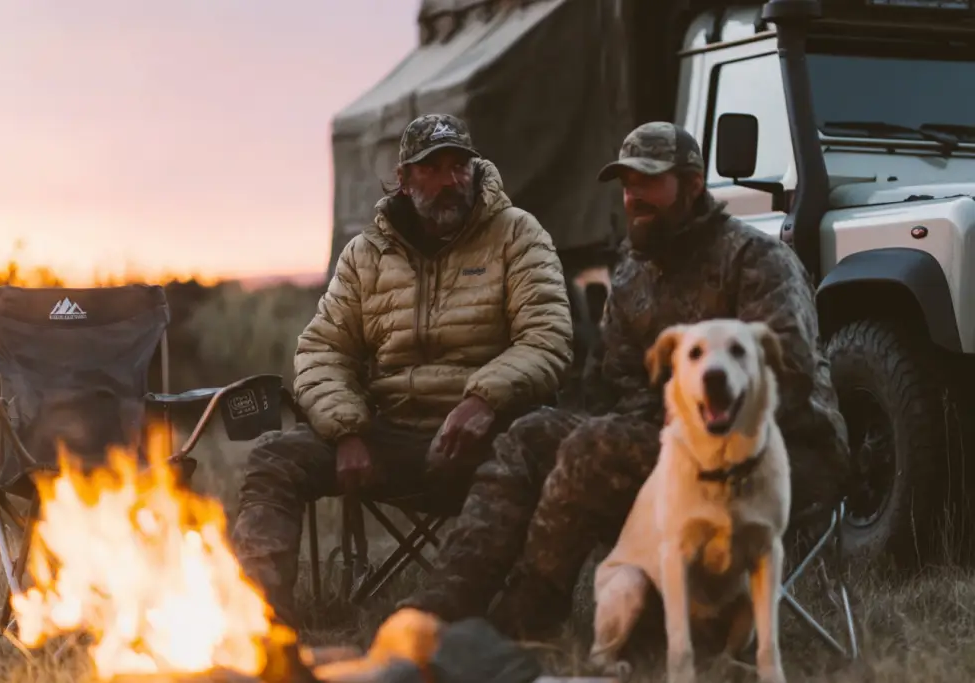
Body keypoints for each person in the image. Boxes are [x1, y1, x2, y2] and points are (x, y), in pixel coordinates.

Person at [398, 121, 850, 638]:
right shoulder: (636, 271)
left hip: (781, 449)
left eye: (649, 182)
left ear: (693, 185)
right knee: (529, 436)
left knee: (596, 446)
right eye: (626, 183)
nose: (633, 196)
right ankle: (441, 606)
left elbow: (784, 380)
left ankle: (527, 614)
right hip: (656, 439)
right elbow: (606, 384)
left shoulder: (757, 260)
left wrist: (640, 428)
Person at [230, 113, 573, 628]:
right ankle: (259, 622)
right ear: (405, 178)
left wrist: (484, 400)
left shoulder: (517, 235)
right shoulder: (366, 255)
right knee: (275, 458)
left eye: (460, 166)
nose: (450, 181)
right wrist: (346, 430)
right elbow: (322, 350)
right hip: (388, 437)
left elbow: (547, 338)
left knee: (530, 448)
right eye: (432, 169)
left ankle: (459, 618)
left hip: (486, 439)